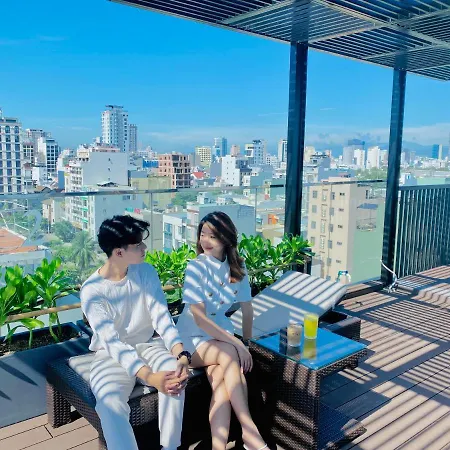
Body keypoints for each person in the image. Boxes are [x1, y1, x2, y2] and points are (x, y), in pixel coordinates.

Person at [80, 215, 191, 450]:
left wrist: (181, 354)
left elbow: (162, 317)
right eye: (138, 244)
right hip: (110, 355)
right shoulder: (92, 290)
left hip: (148, 345)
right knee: (109, 402)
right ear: (119, 252)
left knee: (175, 377)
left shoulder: (145, 272)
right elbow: (112, 343)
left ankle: (170, 447)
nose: (144, 248)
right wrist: (150, 377)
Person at [176, 211, 267, 450]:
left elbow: (247, 309)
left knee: (220, 380)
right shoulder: (196, 267)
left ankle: (218, 446)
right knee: (229, 354)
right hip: (191, 338)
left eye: (212, 236)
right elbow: (199, 319)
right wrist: (238, 345)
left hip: (220, 336)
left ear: (226, 239)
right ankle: (250, 432)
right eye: (202, 234)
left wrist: (246, 343)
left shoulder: (237, 267)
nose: (205, 240)